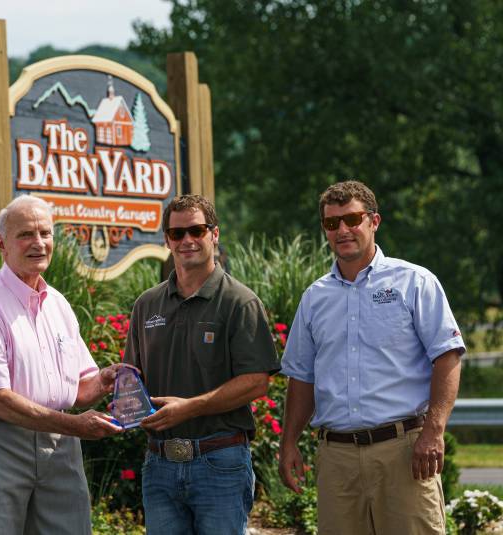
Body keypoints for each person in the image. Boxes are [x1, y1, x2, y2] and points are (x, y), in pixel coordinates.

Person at [279, 180, 465, 534]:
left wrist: (434, 431)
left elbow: (448, 355)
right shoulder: (314, 298)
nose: (343, 230)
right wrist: (288, 443)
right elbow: (302, 376)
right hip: (337, 460)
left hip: (403, 452)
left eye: (353, 219)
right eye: (332, 223)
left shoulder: (414, 282)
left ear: (374, 221)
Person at [0, 195, 126, 535]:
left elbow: (78, 388)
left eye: (45, 233)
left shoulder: (57, 304)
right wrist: (76, 426)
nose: (38, 243)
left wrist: (105, 380)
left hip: (60, 447)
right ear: (2, 243)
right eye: (26, 234)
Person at [124, 194, 280, 534]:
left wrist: (190, 408)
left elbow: (257, 381)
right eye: (177, 234)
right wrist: (123, 396)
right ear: (166, 239)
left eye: (197, 230)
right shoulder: (147, 305)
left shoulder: (239, 302)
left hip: (219, 462)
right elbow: (132, 379)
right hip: (160, 463)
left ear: (215, 234)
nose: (187, 241)